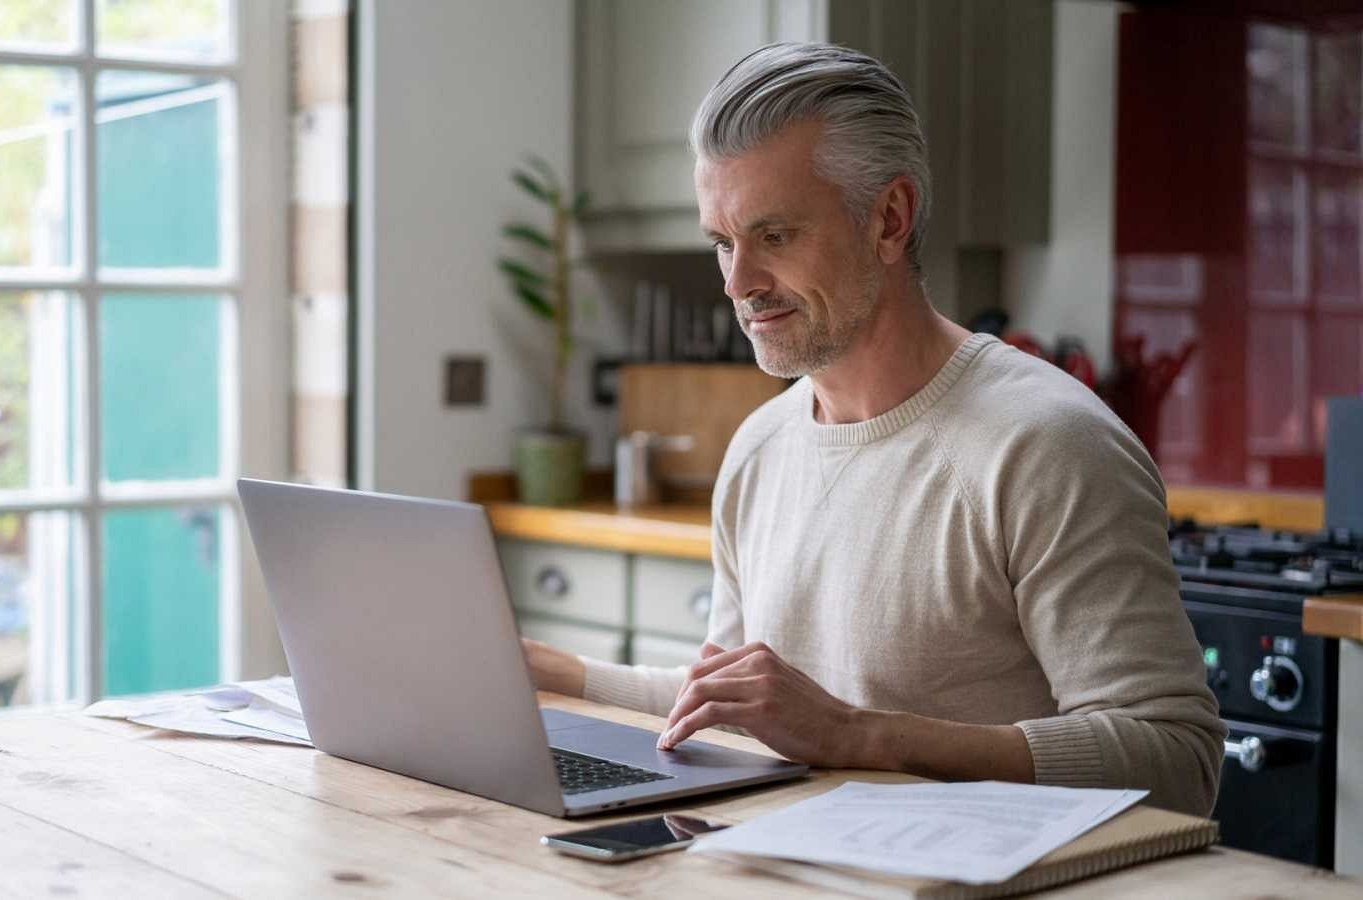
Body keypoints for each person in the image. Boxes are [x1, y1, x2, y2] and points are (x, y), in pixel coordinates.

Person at [523, 42, 1223, 817]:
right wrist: (550, 673)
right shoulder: (759, 449)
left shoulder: (1047, 445)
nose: (737, 282)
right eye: (723, 242)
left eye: (774, 236)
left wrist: (866, 735)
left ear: (889, 219)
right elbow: (735, 701)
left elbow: (1178, 760)